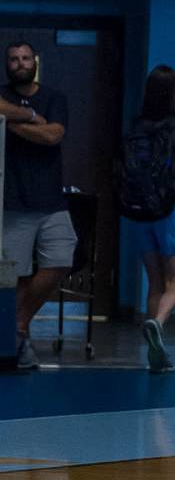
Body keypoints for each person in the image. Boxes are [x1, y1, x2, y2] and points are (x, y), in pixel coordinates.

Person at [124, 64, 175, 373]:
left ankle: (155, 354)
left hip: (141, 212)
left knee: (155, 282)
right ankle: (157, 323)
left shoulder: (136, 127)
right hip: (172, 210)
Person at [0, 41, 74, 371]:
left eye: (25, 58)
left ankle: (18, 323)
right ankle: (15, 341)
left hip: (50, 200)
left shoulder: (55, 97)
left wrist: (8, 124)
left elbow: (53, 136)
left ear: (35, 62)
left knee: (61, 259)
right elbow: (39, 129)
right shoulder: (5, 94)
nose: (20, 63)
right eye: (14, 59)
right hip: (12, 200)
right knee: (12, 276)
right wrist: (29, 117)